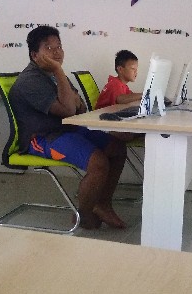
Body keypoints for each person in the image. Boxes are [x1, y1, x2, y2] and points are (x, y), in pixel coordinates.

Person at [9, 25, 128, 230]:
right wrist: (59, 72)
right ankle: (83, 215)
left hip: (67, 129)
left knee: (117, 148)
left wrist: (67, 93)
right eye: (49, 48)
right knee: (98, 163)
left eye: (59, 46)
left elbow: (79, 107)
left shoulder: (55, 75)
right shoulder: (31, 80)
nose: (56, 52)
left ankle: (102, 204)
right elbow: (68, 109)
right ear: (35, 55)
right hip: (42, 138)